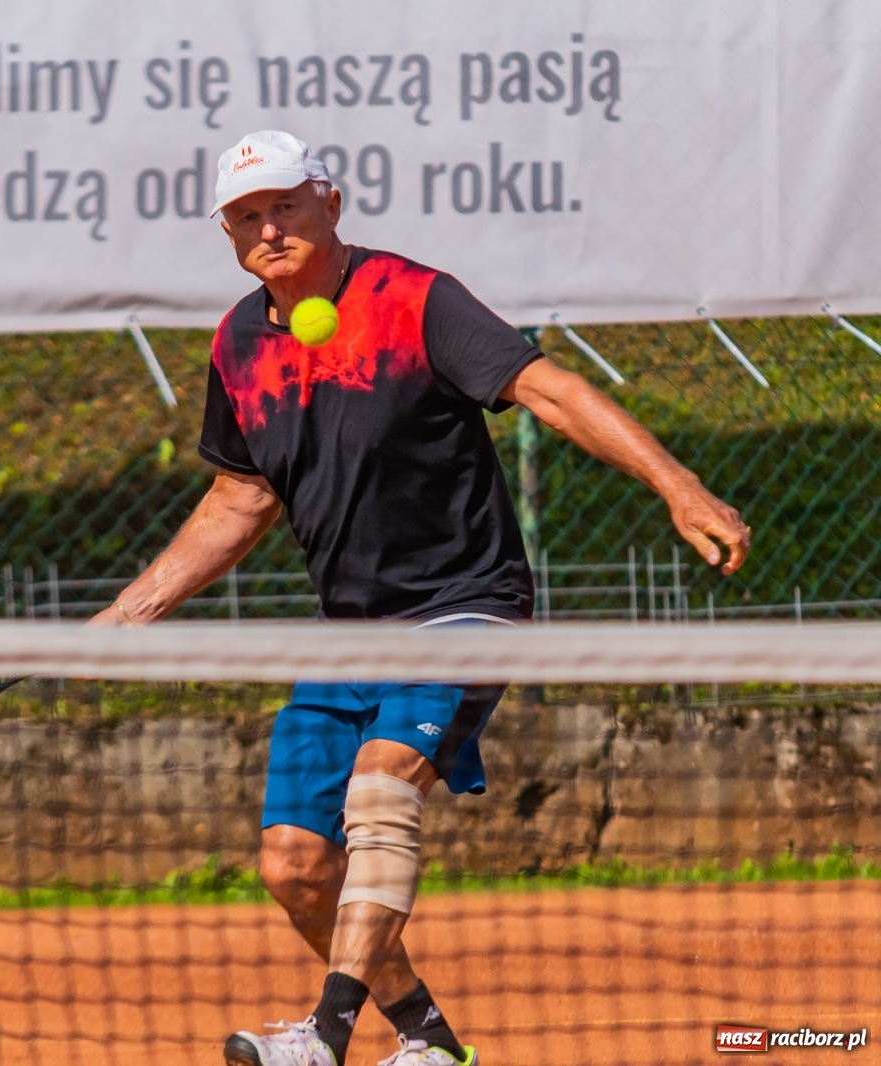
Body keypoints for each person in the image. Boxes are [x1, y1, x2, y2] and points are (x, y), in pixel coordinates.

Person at [90, 130, 750, 1066]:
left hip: (463, 603)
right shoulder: (238, 343)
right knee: (294, 866)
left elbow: (547, 389)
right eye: (245, 217)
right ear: (228, 235)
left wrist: (677, 485)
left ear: (330, 201)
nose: (267, 228)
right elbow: (241, 498)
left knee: (382, 788)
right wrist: (129, 613)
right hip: (347, 634)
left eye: (283, 204)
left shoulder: (415, 298)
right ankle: (431, 1046)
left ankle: (322, 1038)